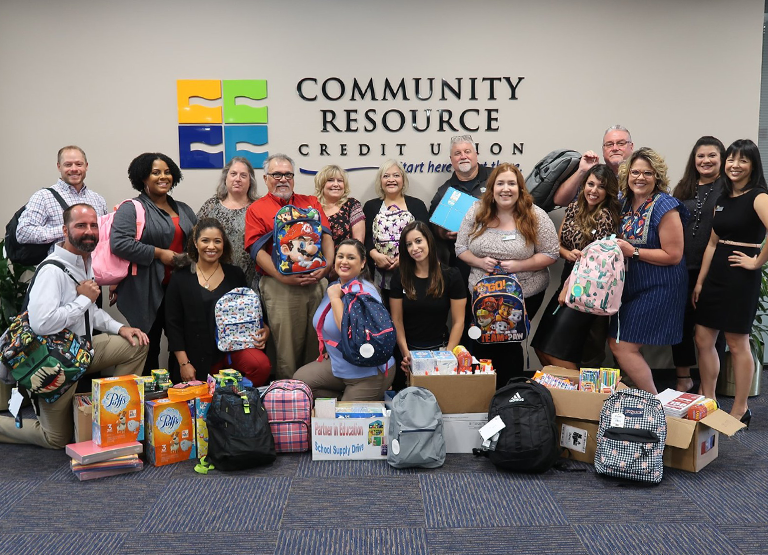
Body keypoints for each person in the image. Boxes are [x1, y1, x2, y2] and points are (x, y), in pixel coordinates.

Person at [0, 204, 148, 449]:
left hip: (83, 351)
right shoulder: (51, 270)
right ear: (65, 231)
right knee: (56, 439)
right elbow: (41, 324)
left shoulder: (83, 261)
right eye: (80, 225)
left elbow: (90, 312)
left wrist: (120, 328)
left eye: (93, 225)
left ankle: (110, 415)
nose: (88, 231)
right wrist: (83, 299)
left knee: (136, 343)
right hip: (55, 364)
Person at [456, 163, 559, 385]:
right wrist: (480, 262)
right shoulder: (476, 211)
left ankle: (511, 394)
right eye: (500, 183)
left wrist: (519, 265)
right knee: (483, 343)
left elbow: (551, 253)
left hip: (524, 294)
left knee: (510, 343)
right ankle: (484, 396)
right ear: (492, 188)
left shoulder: (535, 215)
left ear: (520, 188)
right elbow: (460, 248)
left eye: (511, 183)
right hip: (482, 295)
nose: (506, 189)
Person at [694, 139, 768, 427]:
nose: (735, 165)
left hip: (741, 277)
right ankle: (709, 399)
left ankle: (740, 408)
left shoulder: (759, 196)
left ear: (753, 165)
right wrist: (700, 282)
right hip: (715, 275)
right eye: (731, 160)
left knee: (737, 343)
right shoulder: (722, 198)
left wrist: (756, 261)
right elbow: (712, 244)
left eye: (743, 160)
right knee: (703, 337)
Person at [244, 153, 334, 380]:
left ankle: (315, 398)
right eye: (276, 174)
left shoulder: (311, 202)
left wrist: (327, 268)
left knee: (319, 345)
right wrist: (282, 277)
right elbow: (256, 250)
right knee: (287, 351)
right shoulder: (257, 209)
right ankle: (289, 399)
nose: (282, 179)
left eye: (288, 174)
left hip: (316, 284)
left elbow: (327, 236)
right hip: (279, 285)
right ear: (265, 179)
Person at [608, 147, 688, 394]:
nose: (640, 178)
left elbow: (673, 255)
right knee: (620, 343)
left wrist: (633, 252)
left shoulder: (665, 205)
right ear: (627, 174)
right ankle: (647, 399)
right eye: (635, 172)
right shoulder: (622, 202)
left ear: (657, 177)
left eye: (647, 173)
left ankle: (654, 402)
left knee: (621, 345)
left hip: (661, 286)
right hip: (632, 286)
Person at [111, 153, 197, 375]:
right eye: (156, 172)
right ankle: (152, 400)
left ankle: (180, 394)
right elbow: (119, 243)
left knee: (182, 344)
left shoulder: (184, 209)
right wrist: (159, 254)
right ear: (143, 178)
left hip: (179, 288)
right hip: (146, 289)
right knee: (149, 346)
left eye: (167, 172)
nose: (163, 176)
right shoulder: (132, 208)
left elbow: (197, 242)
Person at [532, 165, 621, 369]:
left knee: (557, 353)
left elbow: (597, 264)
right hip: (566, 282)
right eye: (591, 184)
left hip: (585, 291)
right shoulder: (574, 207)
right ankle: (559, 393)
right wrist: (567, 253)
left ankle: (580, 396)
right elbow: (558, 245)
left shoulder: (606, 216)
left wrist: (568, 288)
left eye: (601, 187)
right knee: (540, 346)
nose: (594, 190)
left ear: (608, 192)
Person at [165, 218, 271, 385]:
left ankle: (237, 398)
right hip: (195, 356)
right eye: (205, 240)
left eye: (217, 241)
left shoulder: (235, 274)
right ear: (195, 242)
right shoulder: (180, 277)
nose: (211, 246)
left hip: (232, 350)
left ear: (224, 244)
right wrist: (184, 363)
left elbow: (252, 310)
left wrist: (264, 329)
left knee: (260, 365)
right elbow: (172, 325)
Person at [294, 239, 395, 401]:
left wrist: (335, 299)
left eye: (351, 257)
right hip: (339, 365)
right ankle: (345, 399)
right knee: (300, 382)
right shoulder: (334, 286)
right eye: (340, 256)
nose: (344, 261)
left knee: (345, 420)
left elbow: (352, 334)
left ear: (362, 263)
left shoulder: (364, 293)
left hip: (367, 374)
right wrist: (331, 344)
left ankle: (365, 398)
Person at [671, 136, 726, 392]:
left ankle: (708, 384)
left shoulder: (729, 188)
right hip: (682, 267)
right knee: (679, 322)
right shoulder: (683, 188)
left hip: (715, 269)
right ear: (694, 159)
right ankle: (683, 377)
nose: (706, 160)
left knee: (712, 330)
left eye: (712, 155)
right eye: (701, 156)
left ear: (722, 158)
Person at [390, 221, 467, 388]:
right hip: (407, 351)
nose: (414, 248)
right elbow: (396, 320)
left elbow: (459, 321)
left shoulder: (452, 275)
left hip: (440, 350)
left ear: (429, 241)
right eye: (408, 244)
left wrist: (446, 356)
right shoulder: (400, 276)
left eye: (418, 241)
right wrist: (406, 354)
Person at [363, 160, 430, 307]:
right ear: (380, 181)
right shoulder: (370, 206)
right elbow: (366, 237)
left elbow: (427, 237)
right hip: (378, 274)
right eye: (386, 176)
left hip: (413, 270)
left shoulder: (417, 205)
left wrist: (405, 257)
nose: (391, 180)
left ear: (403, 180)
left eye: (396, 175)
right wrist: (375, 254)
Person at [16, 146, 108, 251]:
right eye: (68, 165)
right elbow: (23, 233)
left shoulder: (98, 199)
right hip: (60, 265)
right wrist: (66, 230)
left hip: (93, 265)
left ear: (86, 166)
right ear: (59, 167)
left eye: (79, 164)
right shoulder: (43, 197)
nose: (74, 169)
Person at [428, 135, 491, 283]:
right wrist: (444, 233)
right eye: (458, 153)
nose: (463, 156)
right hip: (462, 263)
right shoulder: (444, 192)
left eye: (467, 151)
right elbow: (432, 227)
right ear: (452, 159)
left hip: (496, 257)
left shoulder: (496, 178)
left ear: (476, 155)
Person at [197, 157, 261, 290]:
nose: (238, 179)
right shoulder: (211, 206)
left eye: (243, 175)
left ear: (250, 181)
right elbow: (196, 239)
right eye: (233, 174)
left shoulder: (259, 207)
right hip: (215, 279)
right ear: (226, 178)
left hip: (252, 281)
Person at [553, 125, 634, 207]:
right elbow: (559, 201)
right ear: (603, 150)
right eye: (609, 144)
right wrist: (582, 171)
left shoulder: (639, 175)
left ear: (631, 147)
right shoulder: (595, 175)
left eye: (621, 143)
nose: (615, 148)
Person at [314, 164, 365, 248]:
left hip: (346, 259)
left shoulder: (352, 205)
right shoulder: (313, 207)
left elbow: (358, 244)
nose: (336, 184)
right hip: (316, 259)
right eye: (330, 180)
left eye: (340, 181)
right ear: (321, 184)